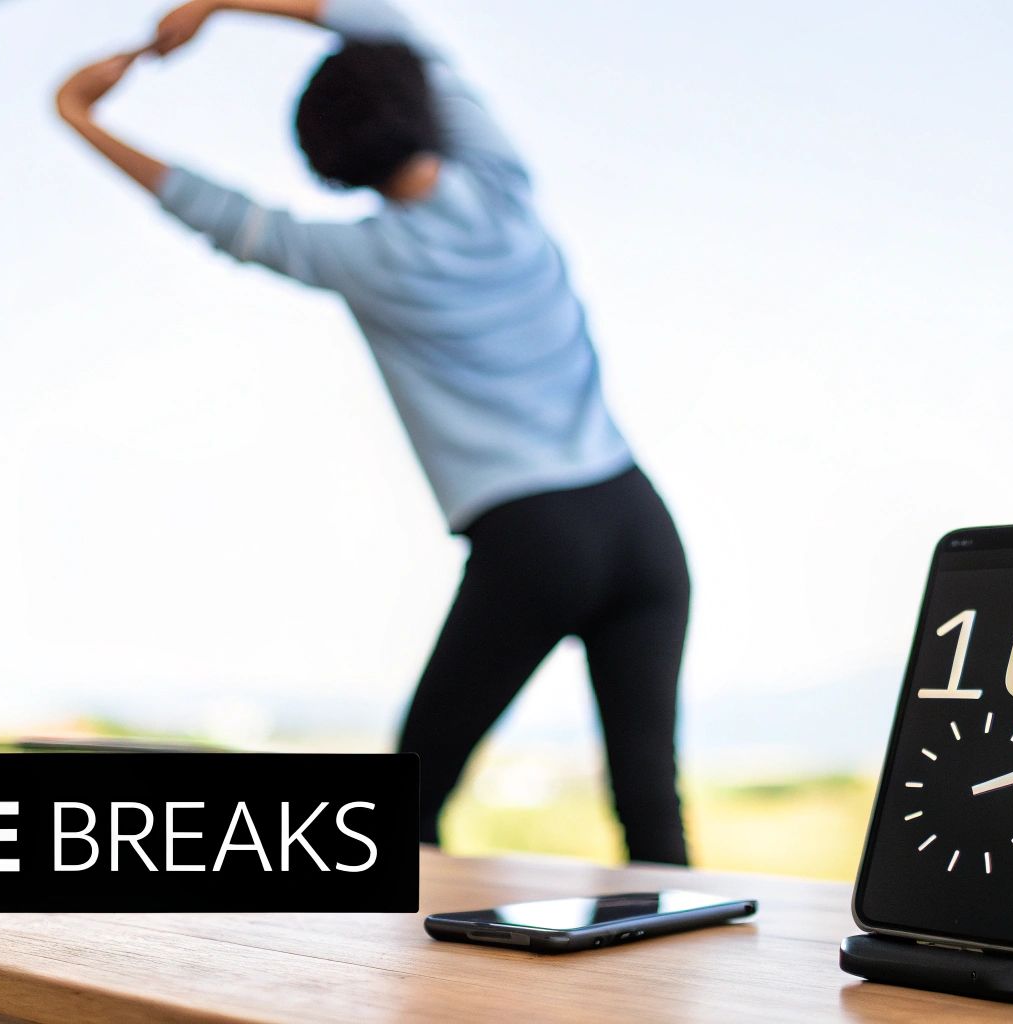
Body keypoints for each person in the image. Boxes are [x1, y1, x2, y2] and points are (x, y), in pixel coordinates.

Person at [56, 0, 691, 865]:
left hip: (534, 538)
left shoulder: (364, 259)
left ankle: (423, 1000)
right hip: (641, 523)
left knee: (407, 803)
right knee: (653, 810)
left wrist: (78, 115)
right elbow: (389, 27)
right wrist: (221, 3)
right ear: (421, 104)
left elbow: (221, 214)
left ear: (330, 162)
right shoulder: (499, 177)